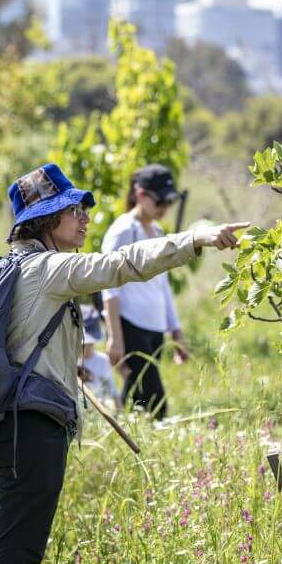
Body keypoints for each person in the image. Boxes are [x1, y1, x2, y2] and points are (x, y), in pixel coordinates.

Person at [0, 162, 245, 564]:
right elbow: (122, 263)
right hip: (31, 427)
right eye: (72, 210)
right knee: (19, 548)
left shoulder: (9, 267)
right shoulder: (49, 269)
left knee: (2, 538)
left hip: (3, 424)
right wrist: (194, 238)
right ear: (44, 221)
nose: (85, 217)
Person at [102, 164, 188, 417]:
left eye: (169, 202)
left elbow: (163, 286)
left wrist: (176, 330)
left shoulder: (158, 231)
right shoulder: (123, 230)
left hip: (155, 327)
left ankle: (119, 424)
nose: (164, 209)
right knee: (155, 399)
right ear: (141, 195)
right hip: (131, 324)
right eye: (159, 201)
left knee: (138, 397)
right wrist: (114, 337)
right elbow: (109, 287)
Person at [79, 310, 120, 409]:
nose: (84, 346)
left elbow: (112, 389)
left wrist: (120, 413)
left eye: (88, 344)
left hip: (97, 408)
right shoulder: (69, 361)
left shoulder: (102, 361)